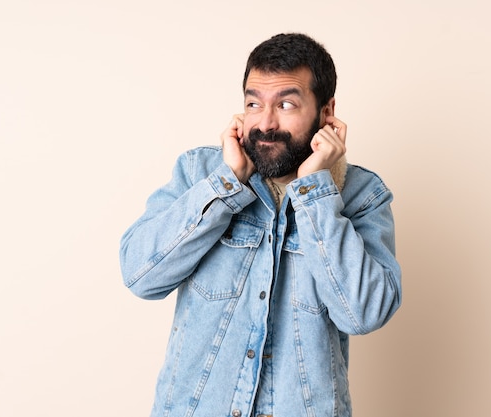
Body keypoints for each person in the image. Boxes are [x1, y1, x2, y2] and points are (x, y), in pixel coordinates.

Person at [119, 33, 402, 417]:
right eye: (254, 103)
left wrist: (314, 191)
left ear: (326, 112)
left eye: (286, 104)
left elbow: (363, 314)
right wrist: (227, 184)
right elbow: (140, 276)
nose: (265, 123)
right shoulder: (201, 173)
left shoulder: (362, 196)